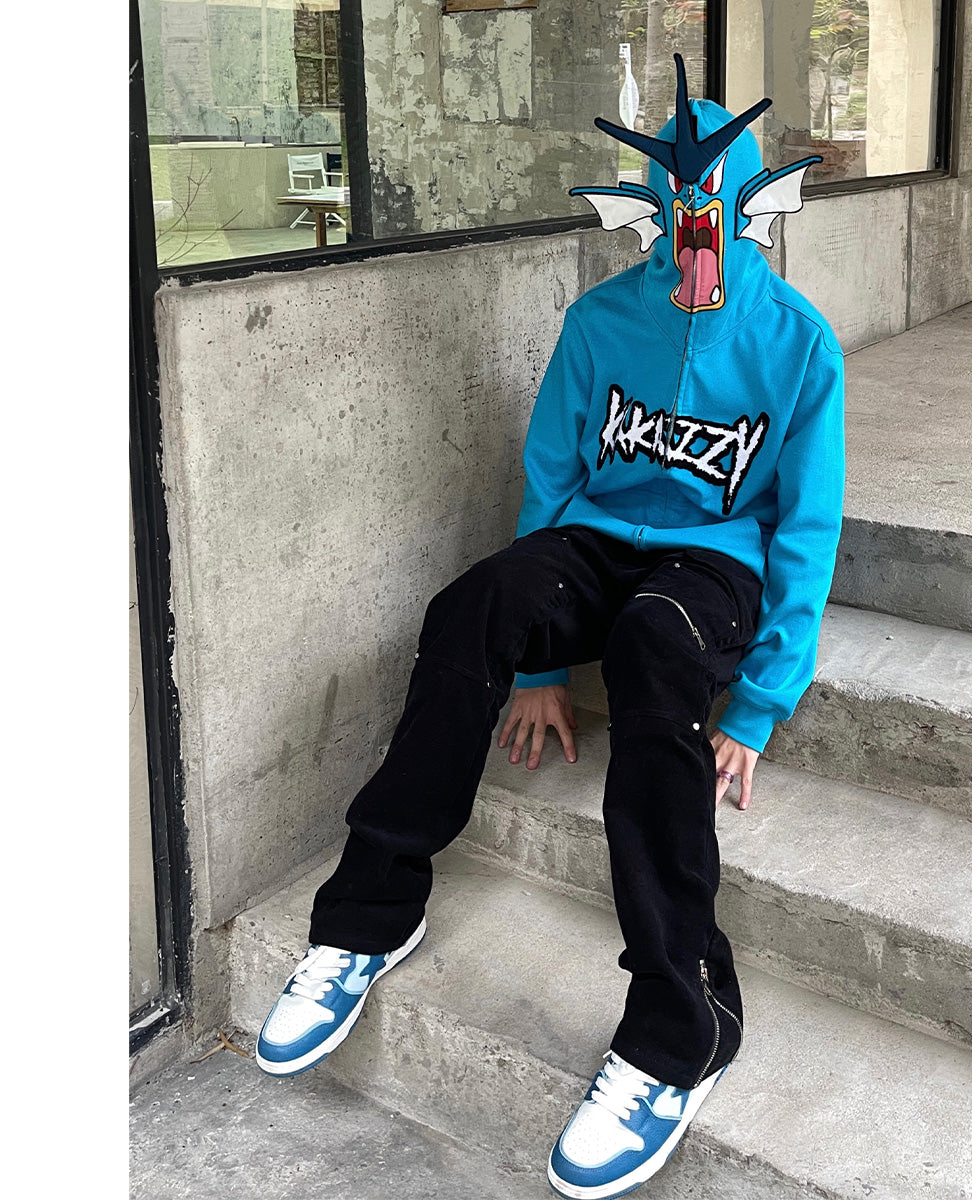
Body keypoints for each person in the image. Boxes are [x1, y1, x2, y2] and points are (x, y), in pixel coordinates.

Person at [255, 56, 845, 1200]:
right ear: (652, 216)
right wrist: (534, 662)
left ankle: (683, 1026)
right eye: (678, 221)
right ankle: (368, 919)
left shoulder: (799, 343)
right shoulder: (599, 322)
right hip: (596, 540)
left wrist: (762, 703)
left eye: (715, 220)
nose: (696, 245)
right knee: (474, 601)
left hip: (713, 565)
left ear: (749, 214)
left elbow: (807, 527)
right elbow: (551, 481)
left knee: (658, 647)